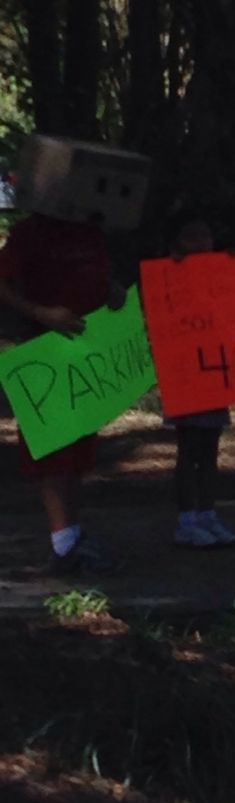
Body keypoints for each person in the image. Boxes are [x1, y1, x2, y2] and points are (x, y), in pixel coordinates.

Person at [0, 208, 120, 574]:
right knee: (51, 448)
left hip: (85, 353)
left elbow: (101, 278)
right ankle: (63, 542)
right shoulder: (30, 233)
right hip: (42, 352)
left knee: (79, 446)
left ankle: (72, 533)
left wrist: (112, 292)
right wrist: (40, 312)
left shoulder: (91, 230)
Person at [165, 210, 235, 549]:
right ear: (180, 242)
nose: (202, 242)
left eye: (206, 235)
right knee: (188, 448)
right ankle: (186, 520)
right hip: (185, 375)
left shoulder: (220, 273)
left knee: (209, 448)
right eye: (194, 235)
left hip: (212, 373)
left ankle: (207, 514)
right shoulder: (168, 277)